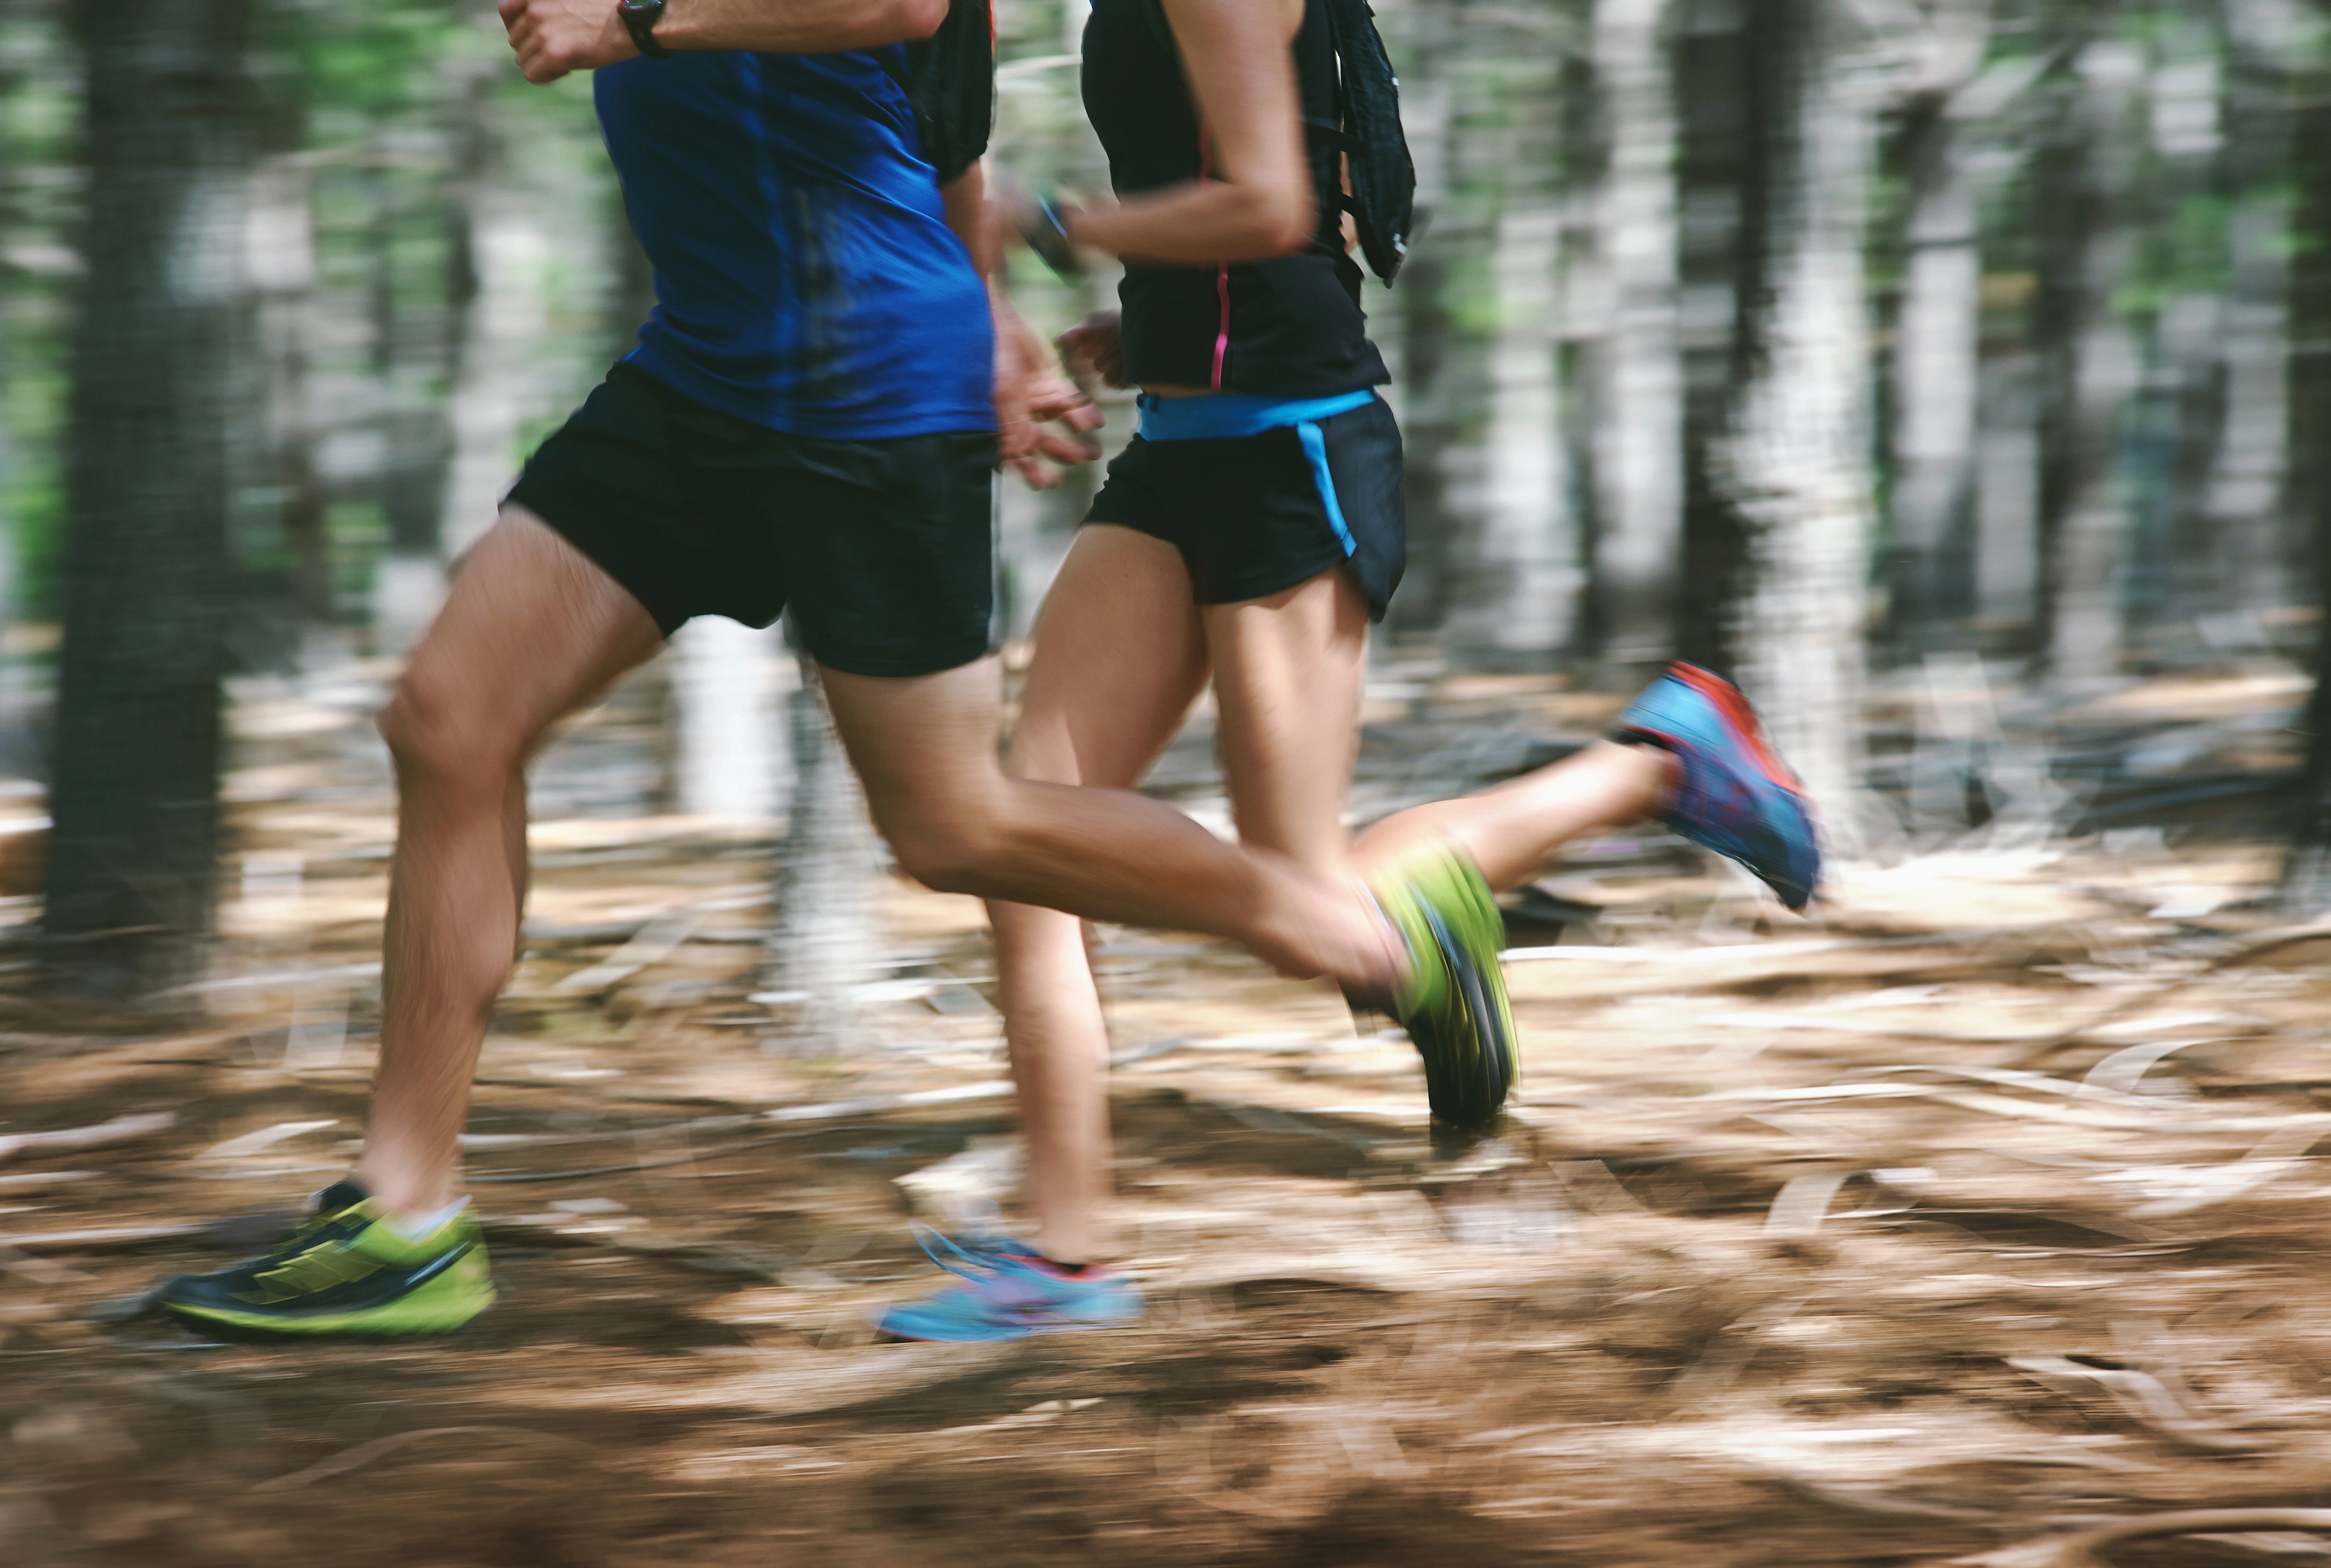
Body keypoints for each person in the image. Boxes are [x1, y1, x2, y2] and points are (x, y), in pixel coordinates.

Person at [150, 0, 1514, 1340]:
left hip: (861, 381)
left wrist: (631, 24)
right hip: (702, 368)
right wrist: (996, 311)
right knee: (446, 720)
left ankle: (1383, 948)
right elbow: (948, 98)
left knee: (954, 827)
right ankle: (407, 1219)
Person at [870, 0, 1818, 1341]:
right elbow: (1243, 207)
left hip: (1290, 452)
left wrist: (1044, 219)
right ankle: (1068, 1257)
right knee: (1017, 843)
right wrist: (1143, 331)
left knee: (1303, 898)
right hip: (1189, 443)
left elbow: (1268, 204)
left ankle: (1662, 763)